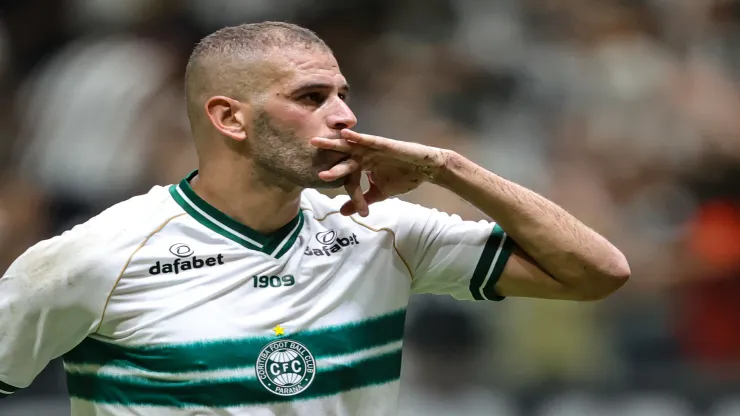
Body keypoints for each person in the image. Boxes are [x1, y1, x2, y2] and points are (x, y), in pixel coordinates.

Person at [0, 21, 630, 416]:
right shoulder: (95, 258)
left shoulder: (380, 231)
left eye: (342, 96)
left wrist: (448, 167)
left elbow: (597, 273)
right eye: (310, 97)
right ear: (229, 118)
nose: (344, 117)